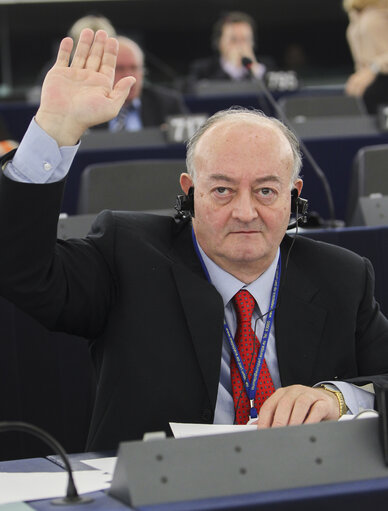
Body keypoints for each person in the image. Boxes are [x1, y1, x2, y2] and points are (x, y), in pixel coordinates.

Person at [0, 30, 387, 452]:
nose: (244, 212)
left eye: (266, 191)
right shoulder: (126, 254)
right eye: (222, 190)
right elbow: (23, 270)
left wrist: (337, 397)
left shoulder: (342, 277)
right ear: (190, 192)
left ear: (293, 197)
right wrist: (54, 130)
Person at [97, 35, 187, 132]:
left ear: (143, 71)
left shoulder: (168, 104)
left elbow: (190, 142)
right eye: (119, 68)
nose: (129, 76)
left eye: (134, 68)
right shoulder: (93, 106)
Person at [186, 11, 274, 90]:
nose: (240, 45)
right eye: (233, 39)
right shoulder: (202, 69)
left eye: (245, 39)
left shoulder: (267, 66)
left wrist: (255, 71)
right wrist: (231, 69)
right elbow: (192, 91)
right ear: (218, 42)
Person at [344, 0, 388, 113]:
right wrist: (361, 74)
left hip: (382, 76)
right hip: (371, 80)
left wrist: (373, 69)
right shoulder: (356, 15)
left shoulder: (381, 11)